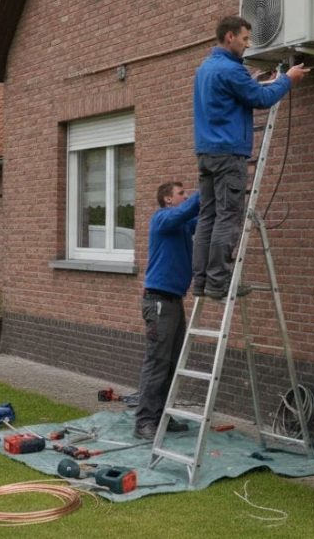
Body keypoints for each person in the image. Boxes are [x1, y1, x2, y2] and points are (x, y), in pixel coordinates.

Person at [192, 15, 308, 300]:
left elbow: (235, 95)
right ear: (229, 36)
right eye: (244, 39)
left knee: (207, 217)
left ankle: (202, 282)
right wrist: (288, 80)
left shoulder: (205, 68)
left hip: (206, 153)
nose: (248, 44)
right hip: (228, 154)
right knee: (228, 217)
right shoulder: (231, 70)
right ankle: (218, 283)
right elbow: (262, 100)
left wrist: (253, 82)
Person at [134, 181, 200, 440]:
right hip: (158, 302)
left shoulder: (181, 225)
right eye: (181, 193)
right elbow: (188, 210)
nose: (186, 196)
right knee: (157, 363)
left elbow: (201, 220)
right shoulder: (161, 218)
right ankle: (144, 422)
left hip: (174, 301)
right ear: (168, 199)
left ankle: (163, 416)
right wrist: (208, 187)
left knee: (172, 362)